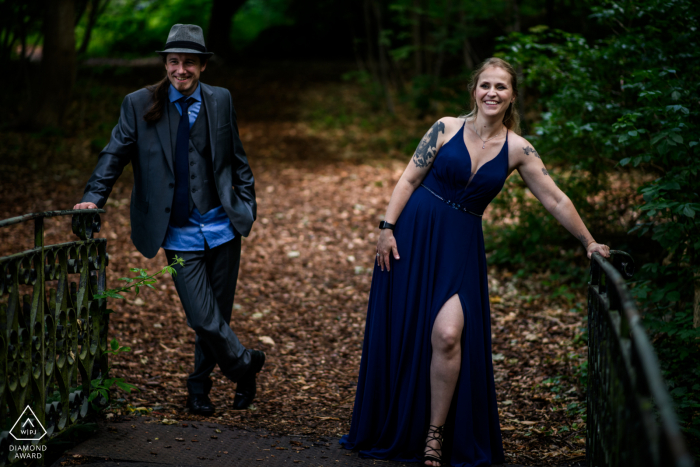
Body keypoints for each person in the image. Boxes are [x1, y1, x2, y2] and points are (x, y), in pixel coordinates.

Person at [340, 57, 610, 467]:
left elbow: (555, 198)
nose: (492, 93)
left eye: (501, 87)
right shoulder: (445, 128)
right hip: (414, 235)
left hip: (462, 244)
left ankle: (435, 434)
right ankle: (393, 424)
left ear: (512, 96)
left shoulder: (518, 149)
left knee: (448, 335)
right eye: (486, 85)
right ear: (474, 90)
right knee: (408, 329)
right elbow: (409, 178)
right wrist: (386, 227)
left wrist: (589, 242)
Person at [73, 24, 265, 416]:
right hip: (177, 232)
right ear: (165, 64)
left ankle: (199, 389)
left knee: (217, 317)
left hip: (224, 227)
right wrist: (93, 197)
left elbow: (237, 159)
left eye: (189, 63)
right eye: (174, 62)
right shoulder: (138, 103)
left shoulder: (221, 100)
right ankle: (245, 366)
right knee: (202, 316)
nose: (181, 70)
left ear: (202, 66)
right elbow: (115, 153)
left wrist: (246, 204)